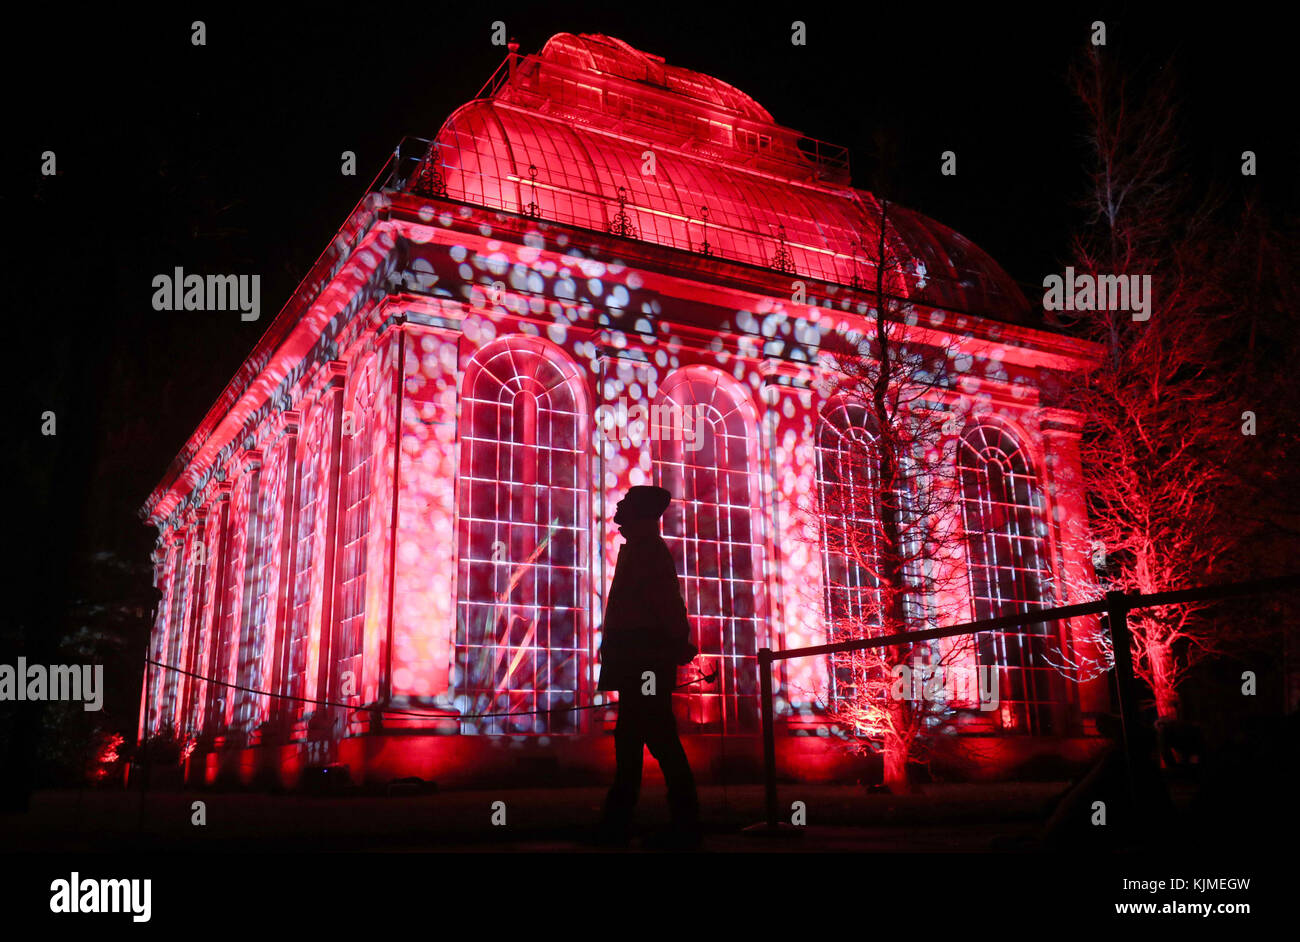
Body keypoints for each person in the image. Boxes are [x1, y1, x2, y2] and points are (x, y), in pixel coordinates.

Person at [595, 485, 701, 849]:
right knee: (641, 738)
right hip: (640, 661)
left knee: (652, 737)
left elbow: (665, 604)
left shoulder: (647, 552)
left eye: (625, 503)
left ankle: (630, 822)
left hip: (642, 662)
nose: (619, 507)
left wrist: (676, 640)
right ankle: (629, 821)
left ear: (639, 513)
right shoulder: (643, 551)